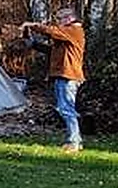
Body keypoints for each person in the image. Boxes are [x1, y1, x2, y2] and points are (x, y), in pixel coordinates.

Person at [22, 8, 86, 152]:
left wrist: (33, 26)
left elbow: (52, 31)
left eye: (61, 19)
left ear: (70, 18)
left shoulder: (75, 31)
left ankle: (74, 142)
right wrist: (33, 44)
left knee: (67, 109)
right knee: (65, 109)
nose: (59, 22)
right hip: (63, 76)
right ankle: (76, 140)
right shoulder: (67, 37)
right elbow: (52, 51)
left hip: (69, 76)